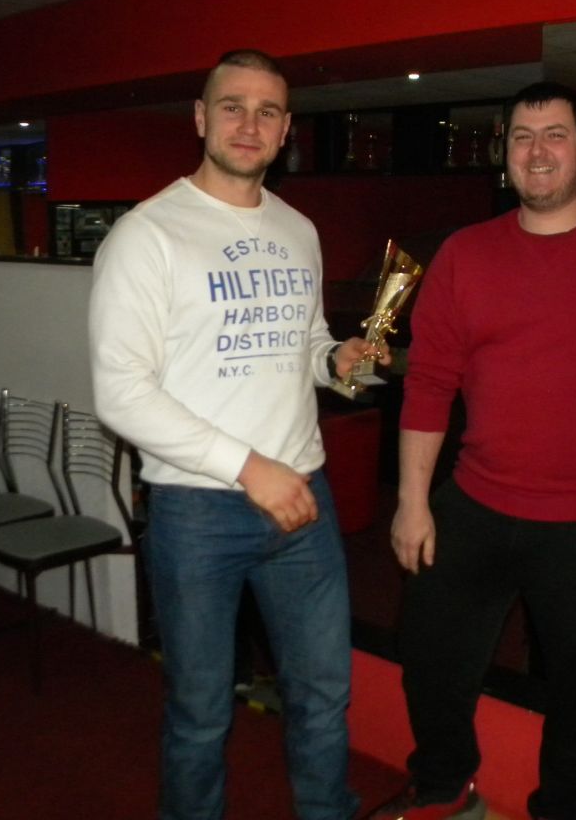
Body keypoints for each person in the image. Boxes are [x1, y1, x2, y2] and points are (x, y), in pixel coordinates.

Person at [89, 48, 384, 820]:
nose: (249, 124)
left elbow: (305, 342)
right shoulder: (147, 235)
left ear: (286, 130)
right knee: (201, 710)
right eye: (232, 107)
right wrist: (250, 468)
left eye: (267, 111)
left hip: (303, 502)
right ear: (201, 118)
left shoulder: (298, 229)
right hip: (198, 510)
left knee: (323, 693)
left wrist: (334, 360)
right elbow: (120, 392)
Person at [368, 82, 576, 820]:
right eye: (522, 137)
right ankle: (444, 785)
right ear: (503, 153)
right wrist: (412, 502)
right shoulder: (465, 255)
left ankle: (563, 811)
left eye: (555, 135)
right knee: (429, 655)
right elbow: (430, 383)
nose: (537, 152)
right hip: (478, 500)